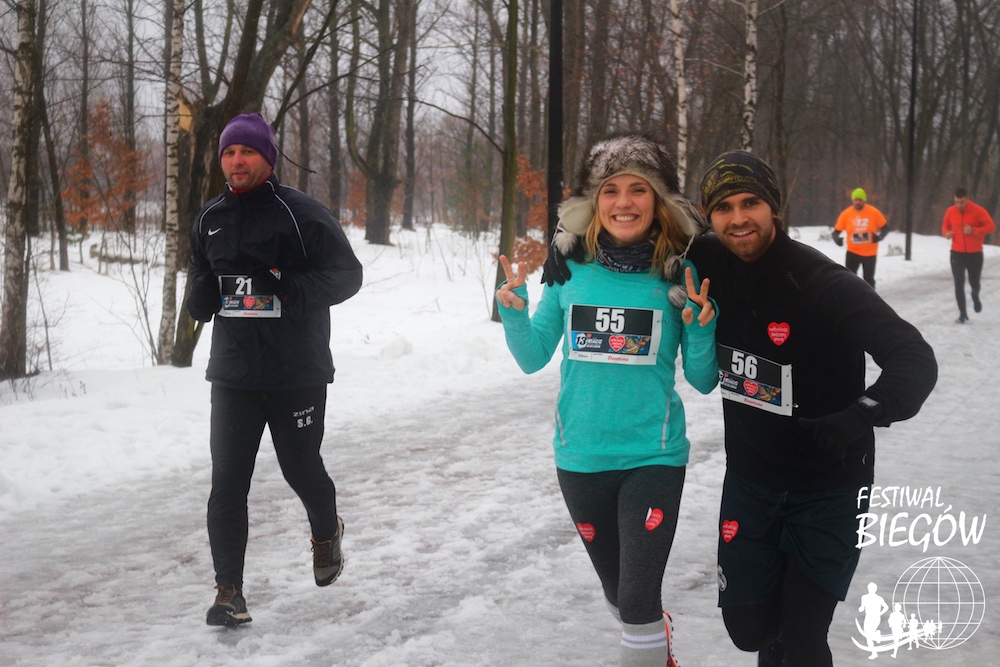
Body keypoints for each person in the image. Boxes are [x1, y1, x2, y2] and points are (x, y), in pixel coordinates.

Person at [544, 149, 938, 666]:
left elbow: (914, 357)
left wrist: (863, 411)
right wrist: (565, 243)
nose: (738, 219)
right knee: (751, 629)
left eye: (750, 203)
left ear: (774, 206)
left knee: (801, 637)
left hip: (830, 485)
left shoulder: (823, 283)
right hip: (751, 484)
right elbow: (636, 221)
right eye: (724, 207)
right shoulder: (706, 260)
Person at [497, 133, 717, 667]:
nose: (624, 202)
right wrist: (514, 311)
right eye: (611, 190)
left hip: (653, 457)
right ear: (594, 202)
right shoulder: (569, 272)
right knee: (620, 595)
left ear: (657, 201)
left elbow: (704, 380)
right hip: (581, 458)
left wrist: (702, 327)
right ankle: (652, 636)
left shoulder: (679, 274)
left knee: (639, 599)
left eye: (638, 189)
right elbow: (533, 357)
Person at [185, 113, 363, 627]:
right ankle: (229, 593)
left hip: (295, 372)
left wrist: (288, 285)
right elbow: (200, 275)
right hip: (234, 375)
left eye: (247, 151)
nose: (236, 161)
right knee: (227, 483)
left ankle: (326, 531)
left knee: (300, 468)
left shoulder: (301, 214)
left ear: (268, 157)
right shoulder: (210, 218)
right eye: (228, 152)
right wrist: (199, 296)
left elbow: (347, 275)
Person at [941, 187, 995, 323]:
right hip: (957, 253)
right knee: (958, 283)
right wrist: (947, 233)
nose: (959, 205)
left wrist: (974, 230)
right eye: (957, 202)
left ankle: (975, 296)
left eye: (962, 202)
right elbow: (945, 226)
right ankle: (962, 314)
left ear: (968, 199)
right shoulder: (950, 211)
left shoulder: (978, 211)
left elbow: (991, 227)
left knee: (974, 282)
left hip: (975, 254)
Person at [832, 188, 888, 288]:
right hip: (852, 251)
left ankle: (870, 297)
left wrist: (879, 237)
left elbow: (885, 228)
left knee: (868, 279)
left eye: (860, 200)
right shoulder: (846, 214)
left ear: (864, 200)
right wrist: (837, 240)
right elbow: (836, 232)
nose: (857, 202)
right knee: (850, 278)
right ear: (852, 200)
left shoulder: (873, 212)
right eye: (855, 200)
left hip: (869, 252)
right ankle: (851, 296)